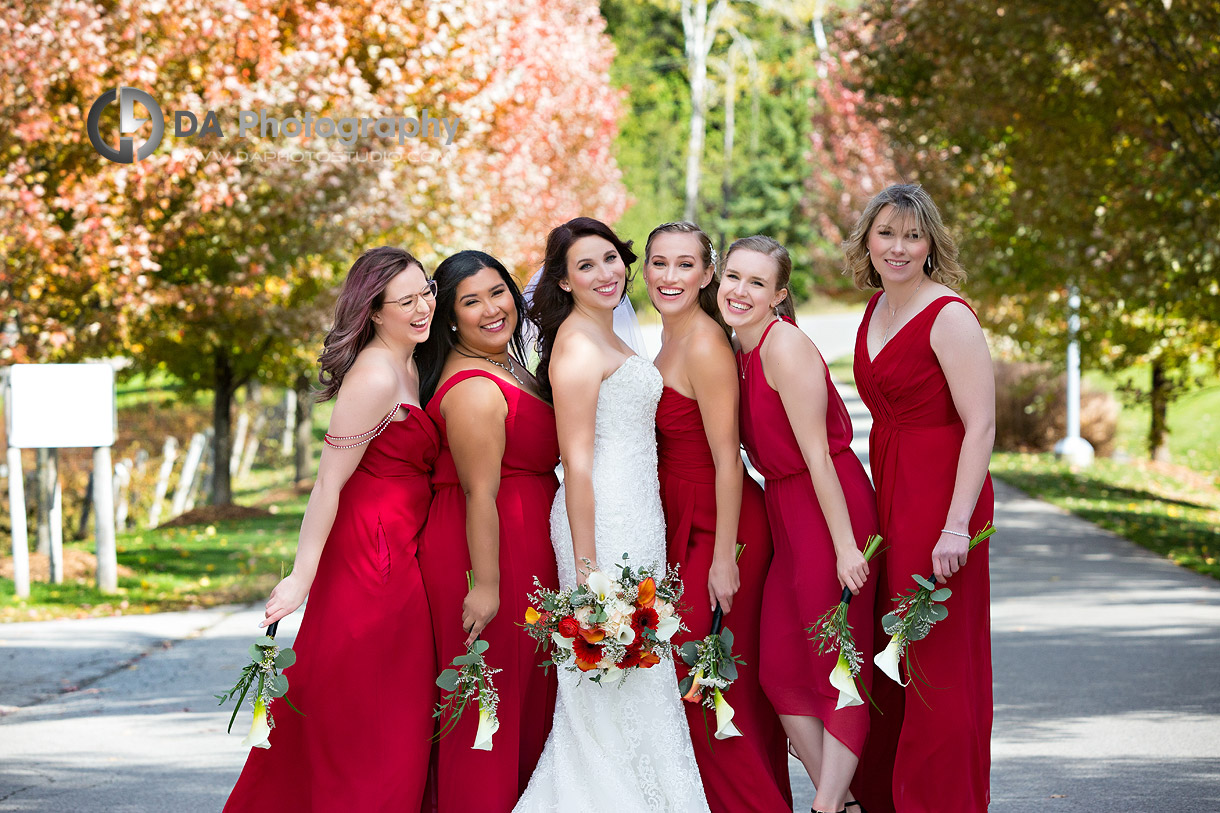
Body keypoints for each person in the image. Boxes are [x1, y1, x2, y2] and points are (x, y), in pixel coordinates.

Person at [225, 247, 440, 811]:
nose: (423, 308)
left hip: (401, 551)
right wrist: (300, 577)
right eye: (407, 300)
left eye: (427, 292)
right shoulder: (372, 375)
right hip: (371, 562)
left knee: (392, 709)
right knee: (368, 709)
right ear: (373, 310)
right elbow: (327, 486)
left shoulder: (414, 359)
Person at [513, 217, 709, 813]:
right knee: (605, 677)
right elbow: (575, 464)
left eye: (610, 259)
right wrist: (589, 574)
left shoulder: (617, 334)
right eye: (585, 266)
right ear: (564, 282)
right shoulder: (574, 344)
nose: (605, 274)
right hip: (598, 525)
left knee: (642, 673)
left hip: (640, 516)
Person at [846, 184, 995, 813]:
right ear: (869, 242)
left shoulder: (949, 316)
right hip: (892, 493)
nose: (899, 247)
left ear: (931, 243)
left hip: (943, 500)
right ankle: (883, 797)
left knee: (935, 661)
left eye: (913, 235)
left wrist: (956, 524)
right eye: (887, 233)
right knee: (891, 653)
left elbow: (981, 425)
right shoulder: (876, 307)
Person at [718, 235, 879, 813]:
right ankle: (844, 801)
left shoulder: (782, 347)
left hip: (828, 507)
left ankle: (827, 805)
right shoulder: (737, 348)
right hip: (788, 513)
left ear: (778, 294)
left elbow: (818, 457)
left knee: (837, 665)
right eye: (733, 276)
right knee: (780, 670)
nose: (740, 290)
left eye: (756, 283)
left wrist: (845, 548)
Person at [643, 222, 791, 813]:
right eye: (660, 263)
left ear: (706, 275)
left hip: (721, 524)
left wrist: (725, 556)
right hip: (685, 516)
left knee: (708, 684)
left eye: (686, 265)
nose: (671, 277)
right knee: (701, 683)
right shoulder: (666, 338)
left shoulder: (703, 342)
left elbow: (729, 460)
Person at [416, 250, 560, 812]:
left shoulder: (506, 362)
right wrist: (487, 585)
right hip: (490, 552)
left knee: (519, 703)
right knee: (487, 710)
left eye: (498, 292)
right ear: (449, 317)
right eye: (470, 301)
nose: (491, 309)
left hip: (520, 544)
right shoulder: (475, 387)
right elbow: (480, 493)